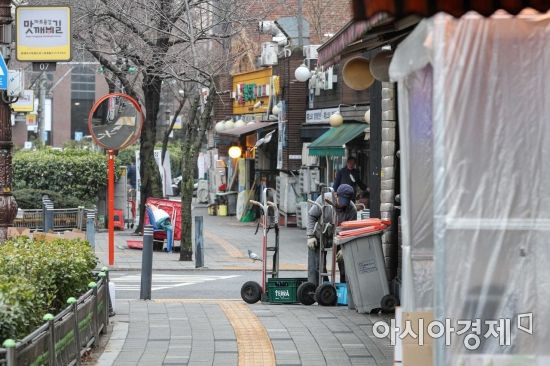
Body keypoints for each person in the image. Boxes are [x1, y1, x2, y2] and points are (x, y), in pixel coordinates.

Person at [306, 184, 357, 286]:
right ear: (336, 195)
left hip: (340, 238)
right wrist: (310, 236)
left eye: (346, 202)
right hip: (321, 235)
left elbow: (351, 230)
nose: (343, 205)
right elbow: (311, 216)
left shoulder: (351, 209)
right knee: (317, 265)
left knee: (345, 264)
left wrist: (345, 249)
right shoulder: (323, 199)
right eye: (342, 201)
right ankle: (318, 288)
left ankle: (345, 290)